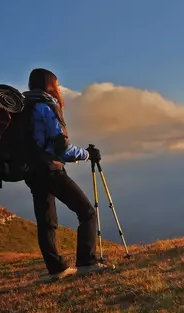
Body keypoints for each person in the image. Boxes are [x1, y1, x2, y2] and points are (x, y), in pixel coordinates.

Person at [24, 68, 112, 279]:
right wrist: (88, 155)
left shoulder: (24, 107)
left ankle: (56, 270)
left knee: (46, 222)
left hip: (31, 171)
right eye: (57, 83)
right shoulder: (47, 105)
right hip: (51, 169)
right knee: (87, 212)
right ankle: (86, 263)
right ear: (50, 84)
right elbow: (63, 148)